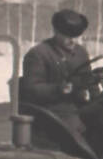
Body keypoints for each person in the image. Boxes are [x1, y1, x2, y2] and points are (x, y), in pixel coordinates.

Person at [20, 8, 95, 145]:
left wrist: (94, 88)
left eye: (75, 37)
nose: (72, 41)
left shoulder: (81, 53)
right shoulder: (39, 54)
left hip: (78, 106)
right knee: (78, 127)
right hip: (51, 112)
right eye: (67, 36)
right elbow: (31, 89)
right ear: (56, 32)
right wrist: (58, 90)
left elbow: (88, 80)